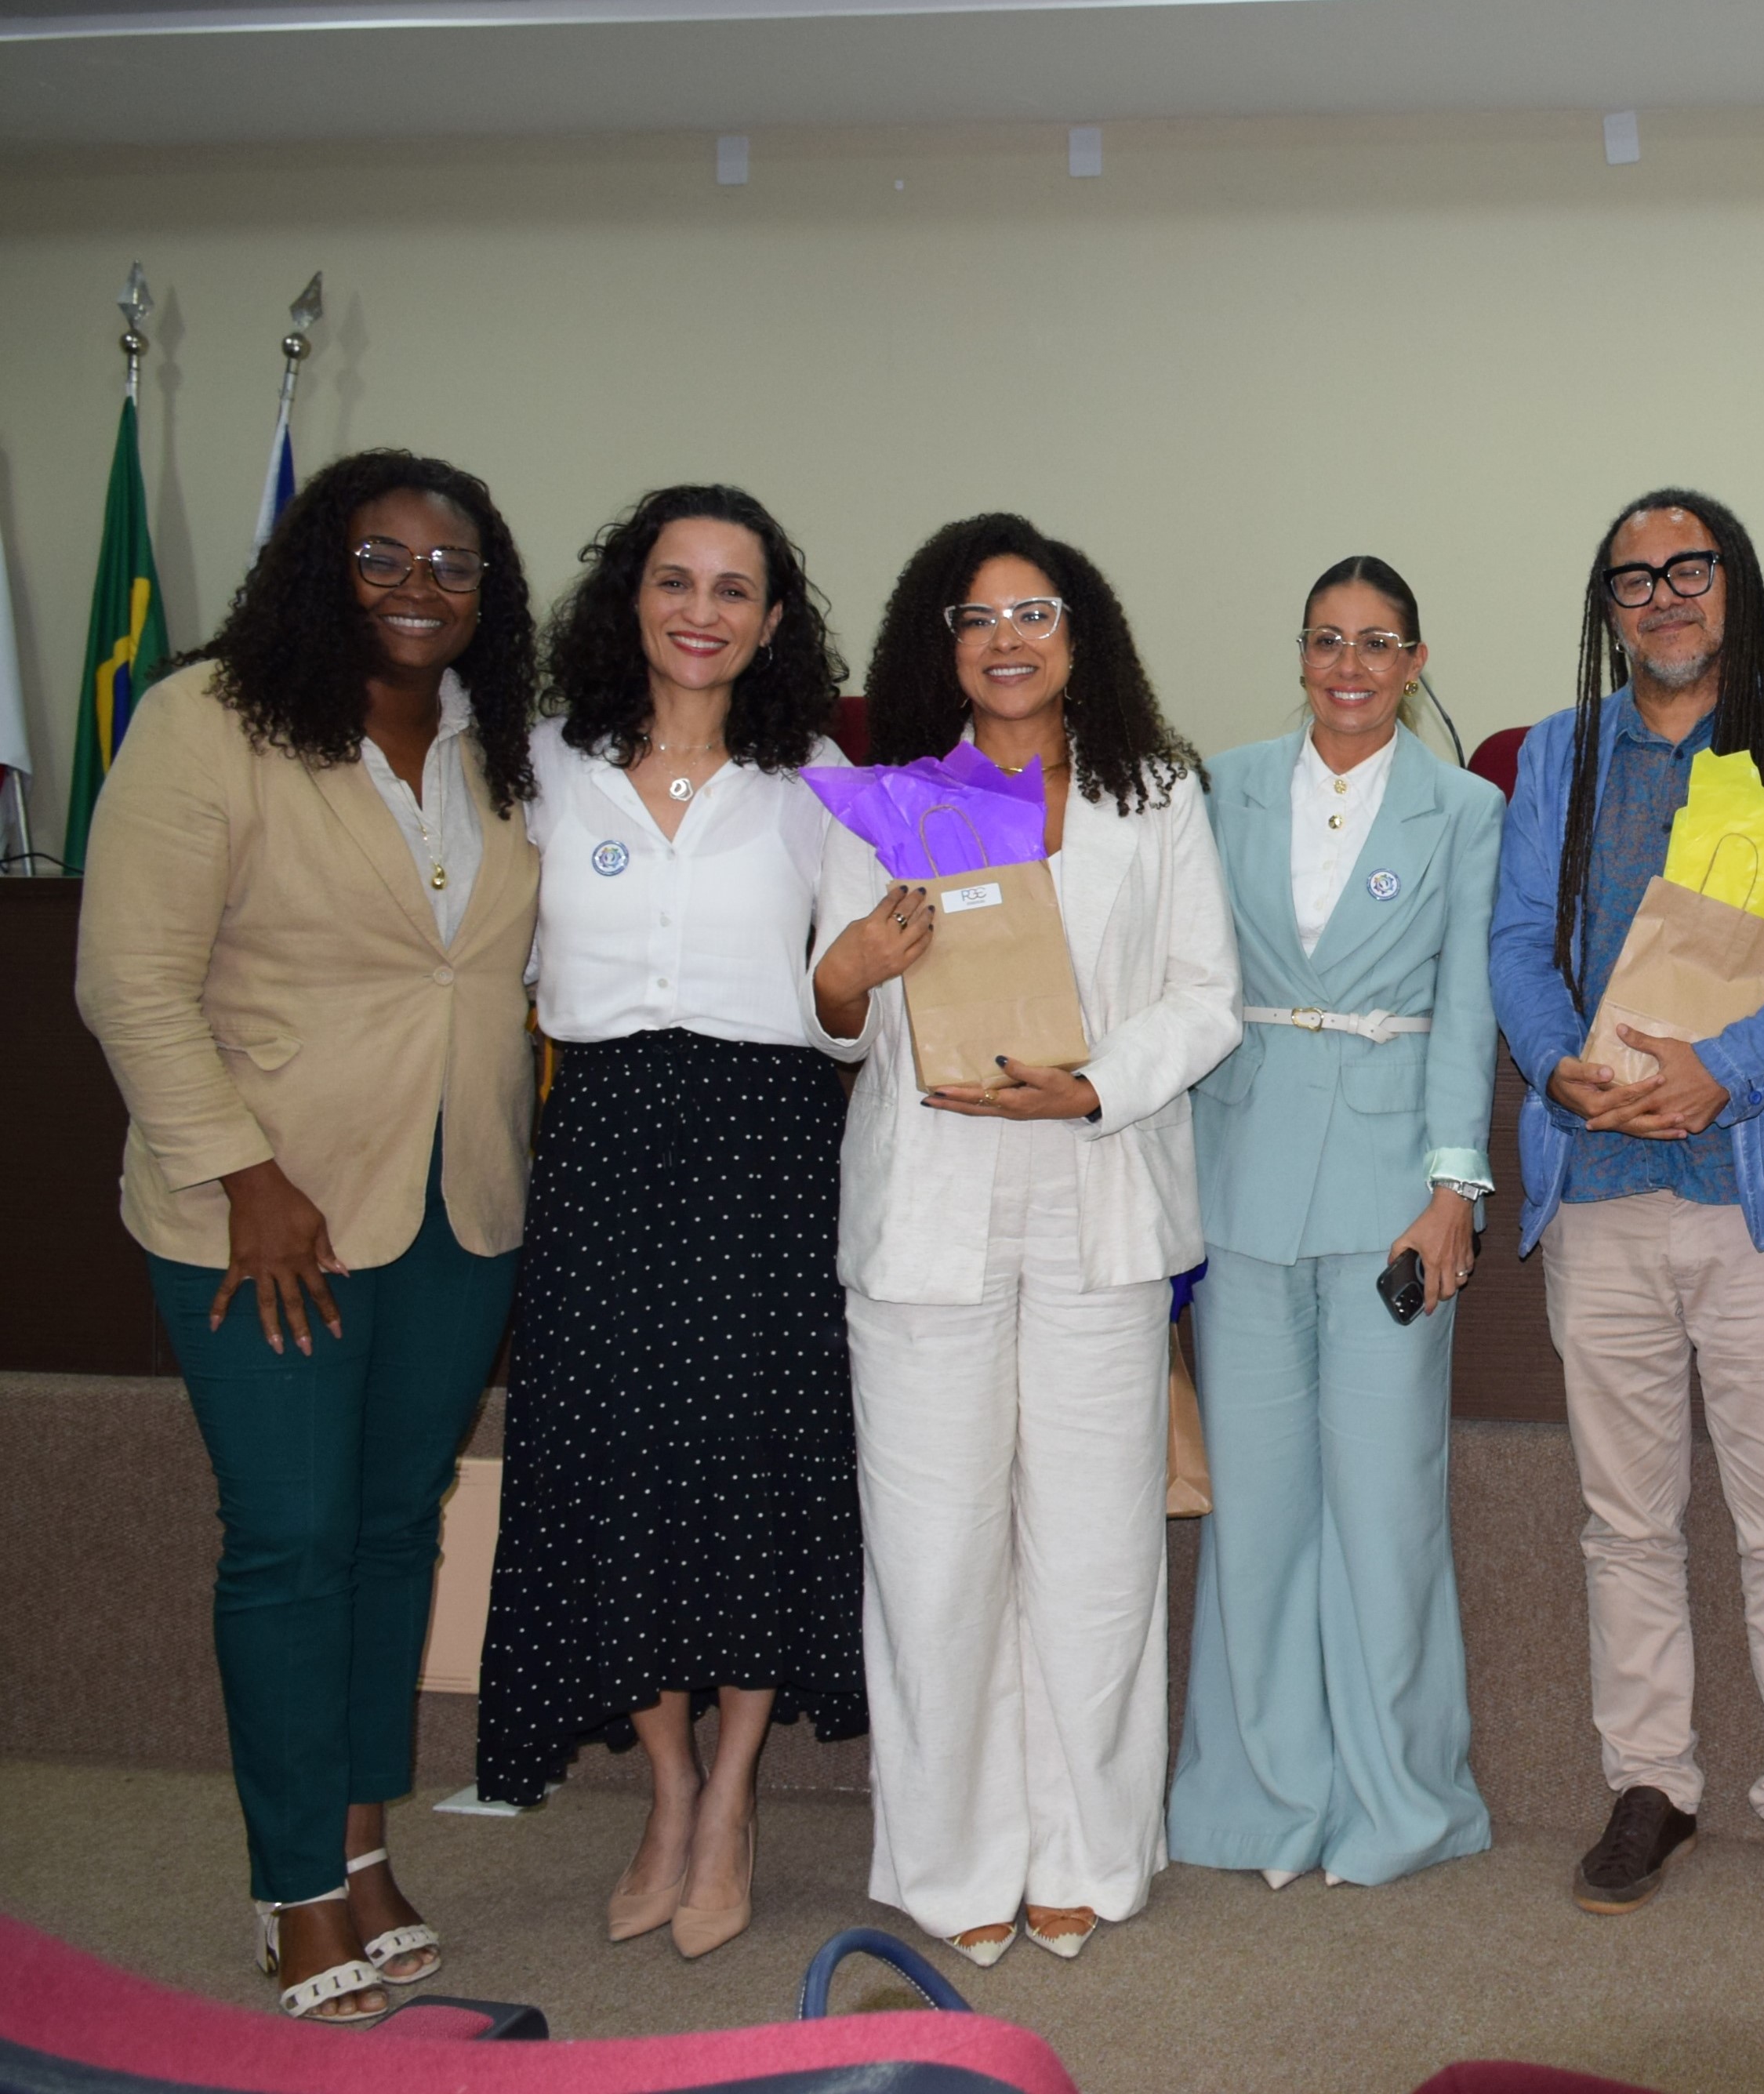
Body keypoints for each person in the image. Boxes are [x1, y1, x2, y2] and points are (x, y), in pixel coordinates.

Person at [74, 451, 541, 2023]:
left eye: (453, 564)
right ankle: (290, 1887)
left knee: (397, 1523)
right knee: (288, 1537)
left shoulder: (506, 748)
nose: (421, 587)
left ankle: (361, 1842)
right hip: (265, 1214)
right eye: (383, 556)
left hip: (457, 1204)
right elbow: (127, 976)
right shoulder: (209, 722)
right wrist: (238, 1169)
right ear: (317, 566)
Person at [818, 514, 1239, 1965]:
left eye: (1036, 612)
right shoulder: (878, 799)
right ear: (939, 644)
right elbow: (828, 1011)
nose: (1008, 639)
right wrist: (857, 969)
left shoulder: (1156, 791)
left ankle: (1089, 1850)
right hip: (927, 1203)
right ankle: (953, 1863)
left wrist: (1097, 1084)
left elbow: (1206, 994)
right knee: (935, 1550)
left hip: (1098, 1189)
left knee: (1099, 1543)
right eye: (977, 615)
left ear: (1082, 635)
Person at [474, 485, 867, 1959]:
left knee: (756, 1470)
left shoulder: (815, 775)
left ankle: (735, 1800)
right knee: (612, 1466)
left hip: (767, 1152)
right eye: (675, 580)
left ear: (773, 622)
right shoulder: (540, 765)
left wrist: (879, 969)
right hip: (605, 1149)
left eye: (734, 588)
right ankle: (667, 1782)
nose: (701, 610)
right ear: (630, 600)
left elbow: (848, 1000)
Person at [1485, 488, 1764, 1923]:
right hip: (1599, 1186)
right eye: (1631, 579)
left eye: (1686, 570)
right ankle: (1648, 1782)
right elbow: (1522, 940)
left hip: (1753, 1184)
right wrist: (1560, 1064)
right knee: (1623, 1517)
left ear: (1735, 584)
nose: (1661, 597)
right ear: (1608, 608)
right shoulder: (1560, 755)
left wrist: (1726, 1070)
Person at [1167, 555, 1502, 1889]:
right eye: (1325, 641)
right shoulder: (1222, 787)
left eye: (1377, 643)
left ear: (1417, 663)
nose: (1349, 666)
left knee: (1383, 1507)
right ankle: (1256, 1802)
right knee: (1255, 1509)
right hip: (1239, 1173)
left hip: (1389, 1200)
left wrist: (1452, 1189)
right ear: (1298, 656)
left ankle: (1400, 1803)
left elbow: (1466, 1006)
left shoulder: (1464, 809)